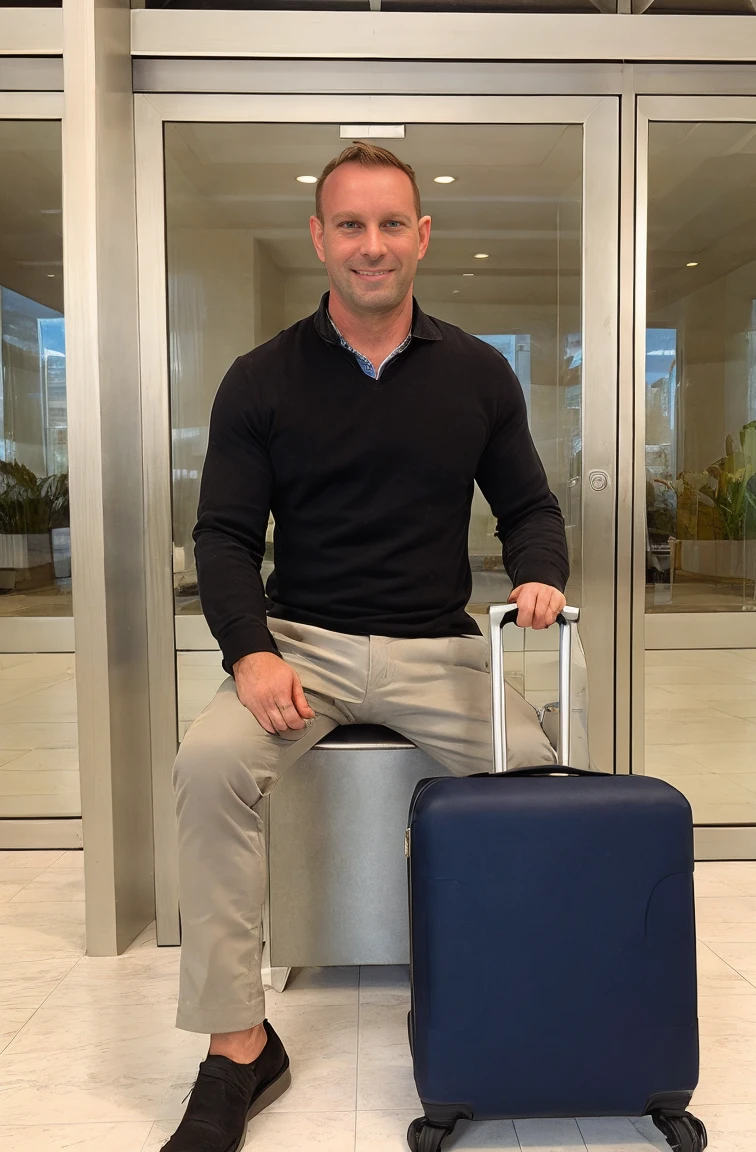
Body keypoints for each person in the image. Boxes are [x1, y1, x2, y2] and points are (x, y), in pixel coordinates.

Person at [163, 142, 569, 1152]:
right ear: (320, 237)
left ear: (422, 237)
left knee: (539, 779)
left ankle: (508, 1008)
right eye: (351, 224)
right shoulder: (260, 380)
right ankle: (238, 1050)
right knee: (209, 766)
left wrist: (538, 573)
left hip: (440, 649)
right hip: (306, 645)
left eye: (392, 224)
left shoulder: (478, 372)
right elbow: (222, 537)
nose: (372, 245)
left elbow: (529, 507)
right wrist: (251, 652)